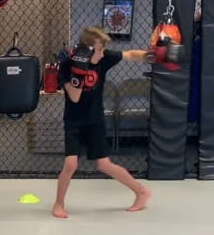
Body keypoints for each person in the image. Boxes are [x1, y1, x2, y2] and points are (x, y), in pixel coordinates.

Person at [53, 26, 157, 218]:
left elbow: (130, 54)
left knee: (104, 165)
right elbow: (75, 97)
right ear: (89, 49)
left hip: (95, 120)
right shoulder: (67, 66)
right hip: (74, 121)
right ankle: (58, 204)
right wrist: (79, 73)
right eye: (100, 49)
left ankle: (141, 192)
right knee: (70, 164)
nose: (103, 54)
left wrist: (152, 56)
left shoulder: (104, 57)